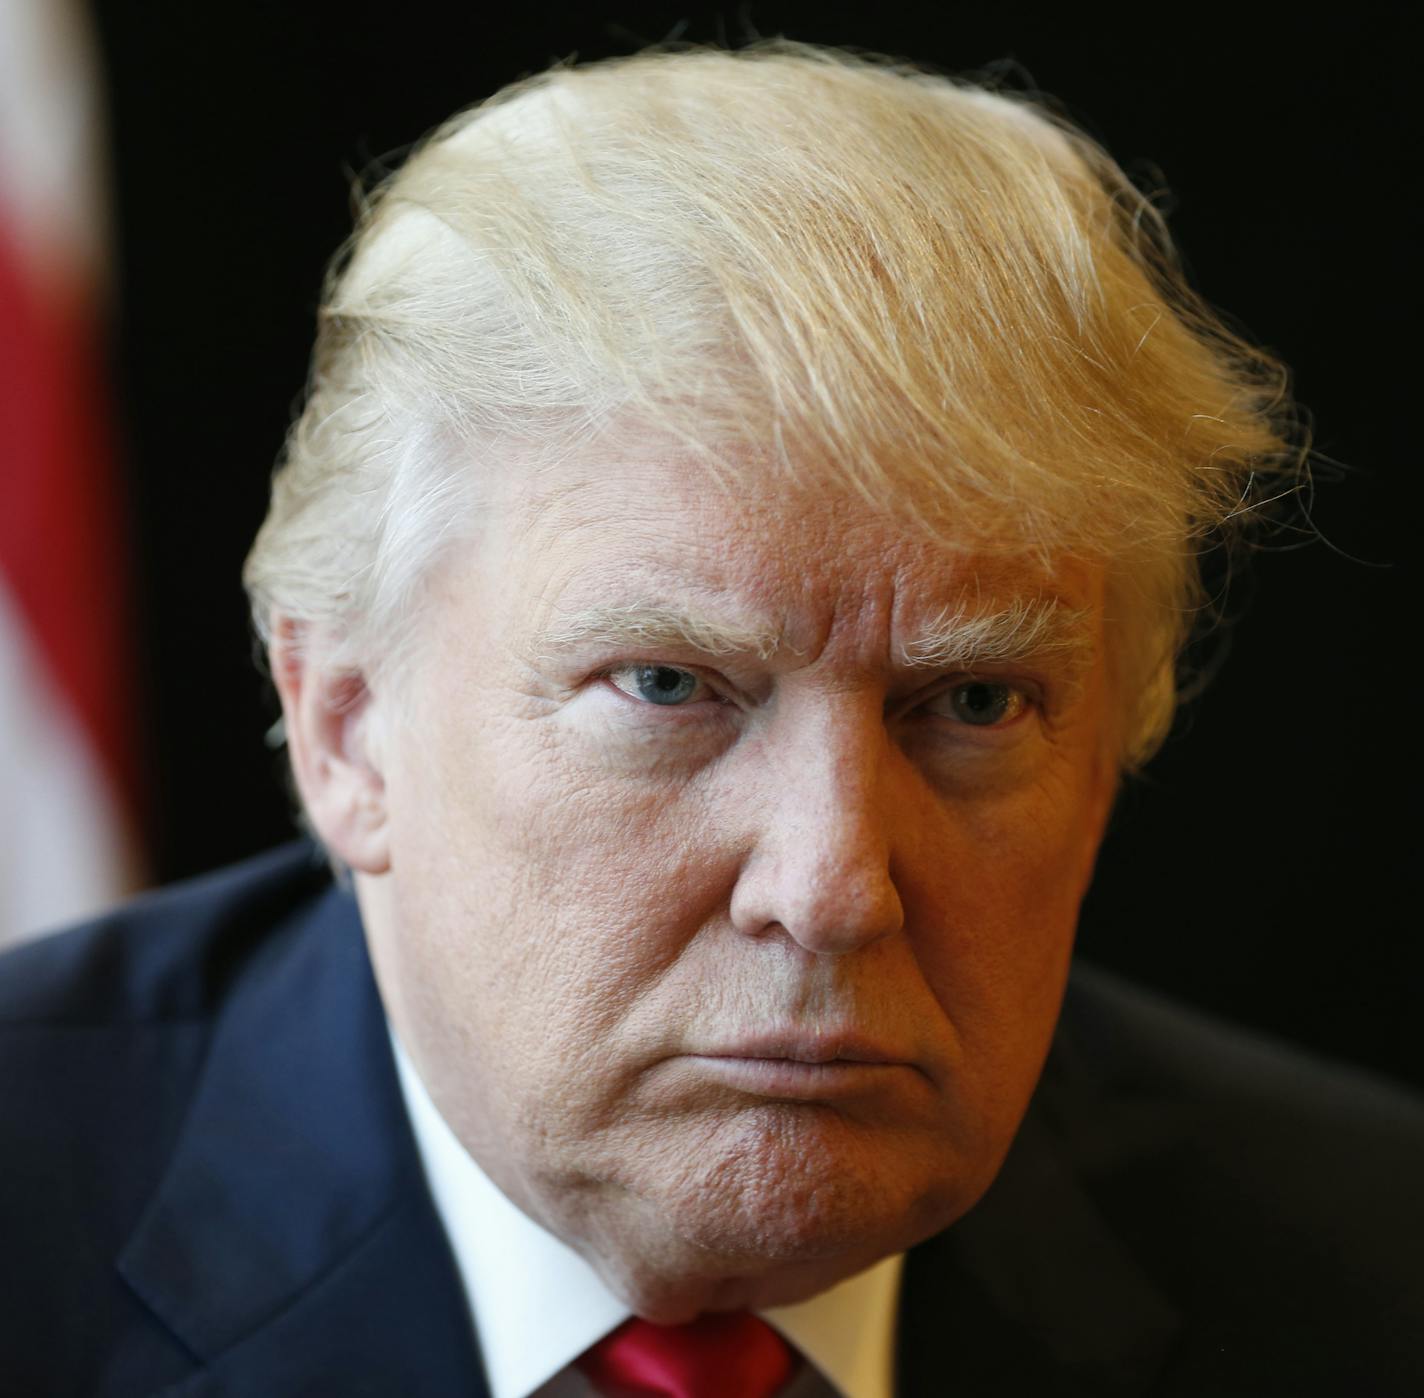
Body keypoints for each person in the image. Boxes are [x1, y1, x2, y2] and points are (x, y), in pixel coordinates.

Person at [2, 41, 1420, 1398]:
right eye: (668, 687)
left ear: (1108, 762)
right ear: (347, 727)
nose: (831, 888)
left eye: (974, 703)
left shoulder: (1375, 1272)